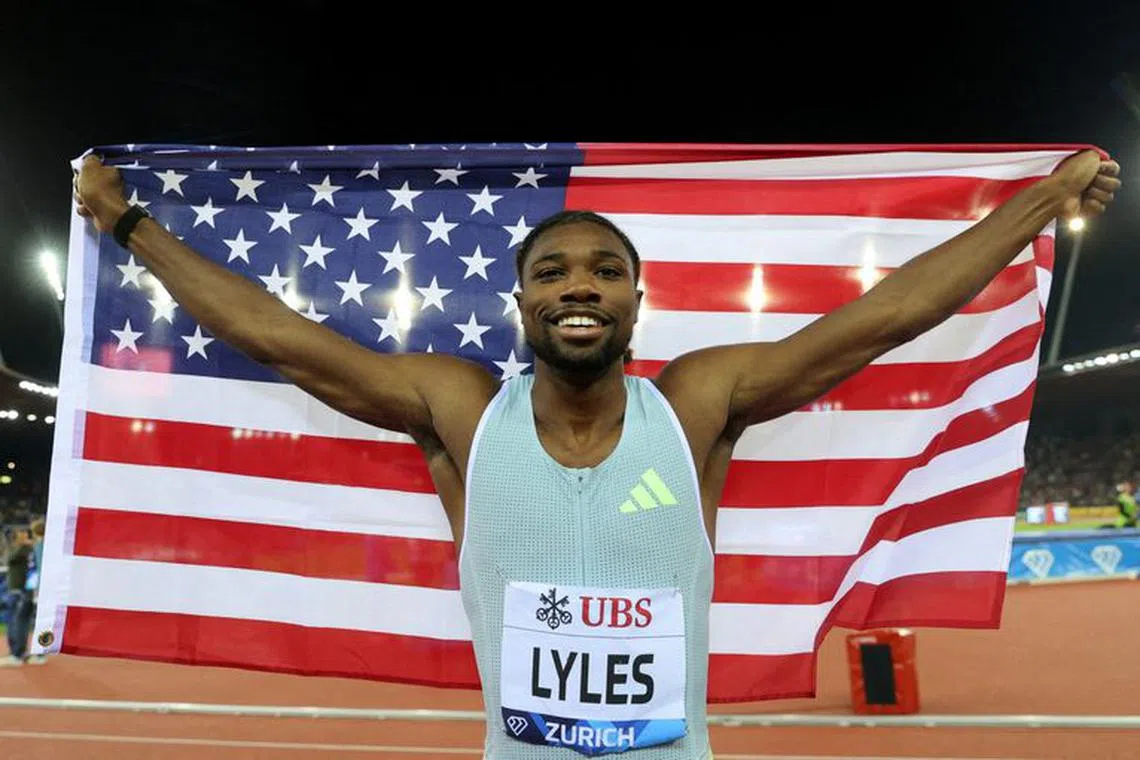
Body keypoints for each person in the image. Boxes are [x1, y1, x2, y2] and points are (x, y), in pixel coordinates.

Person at [74, 150, 1120, 759]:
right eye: (556, 270)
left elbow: (879, 320)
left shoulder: (698, 404)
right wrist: (131, 226)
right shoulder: (462, 409)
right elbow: (283, 340)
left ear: (636, 299)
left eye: (607, 270)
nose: (582, 284)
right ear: (521, 300)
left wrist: (1038, 204)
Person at [2, 527, 33, 666]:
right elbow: (10, 559)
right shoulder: (17, 548)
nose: (23, 536)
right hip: (14, 590)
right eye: (21, 534)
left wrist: (26, 545)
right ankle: (16, 651)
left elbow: (12, 559)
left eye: (25, 534)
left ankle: (17, 653)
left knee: (18, 622)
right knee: (14, 621)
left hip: (21, 590)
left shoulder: (27, 549)